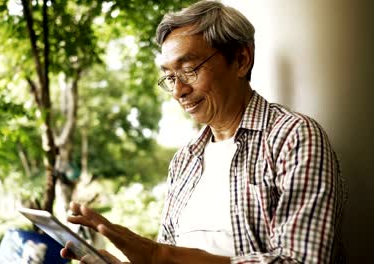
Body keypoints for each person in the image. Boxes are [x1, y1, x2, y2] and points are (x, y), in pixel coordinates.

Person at [60, 0, 346, 263]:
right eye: (170, 78)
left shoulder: (294, 138)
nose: (178, 91)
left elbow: (302, 261)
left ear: (241, 59)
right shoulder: (185, 161)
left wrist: (160, 255)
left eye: (188, 70)